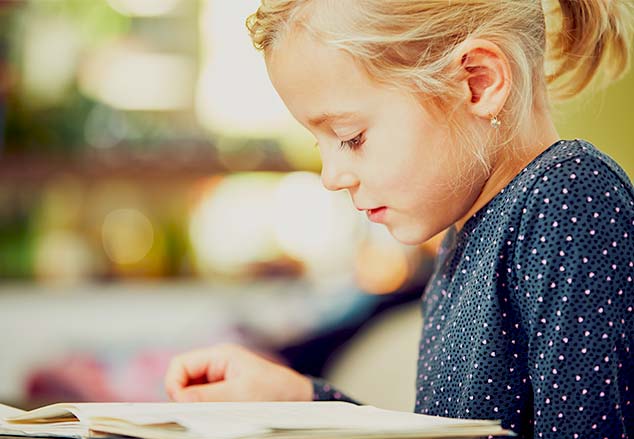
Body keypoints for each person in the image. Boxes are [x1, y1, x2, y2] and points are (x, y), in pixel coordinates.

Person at [164, 1, 634, 437]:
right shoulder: (466, 232)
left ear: (478, 81)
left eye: (350, 137)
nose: (332, 176)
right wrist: (302, 399)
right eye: (318, 143)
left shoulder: (570, 198)